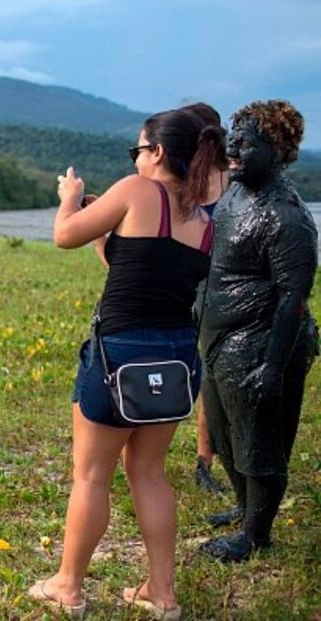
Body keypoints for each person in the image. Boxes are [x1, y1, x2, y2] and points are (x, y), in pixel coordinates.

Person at [29, 109, 224, 620]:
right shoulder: (204, 222)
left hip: (119, 355)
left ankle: (67, 586)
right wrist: (106, 240)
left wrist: (69, 201)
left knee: (92, 476)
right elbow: (141, 272)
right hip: (176, 358)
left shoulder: (137, 192)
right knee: (150, 473)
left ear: (157, 153)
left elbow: (62, 235)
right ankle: (162, 593)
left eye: (138, 150)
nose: (136, 160)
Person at [199, 100, 318, 562]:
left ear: (278, 150)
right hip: (220, 342)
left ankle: (256, 533)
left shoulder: (287, 217)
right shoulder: (234, 194)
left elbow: (294, 298)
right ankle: (246, 508)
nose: (233, 148)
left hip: (259, 344)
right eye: (234, 137)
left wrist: (272, 366)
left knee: (260, 443)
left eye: (246, 143)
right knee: (226, 435)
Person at [180, 102, 229, 494]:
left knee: (203, 370)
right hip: (219, 285)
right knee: (209, 372)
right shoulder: (233, 175)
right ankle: (205, 461)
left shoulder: (183, 178)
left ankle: (205, 460)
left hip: (198, 282)